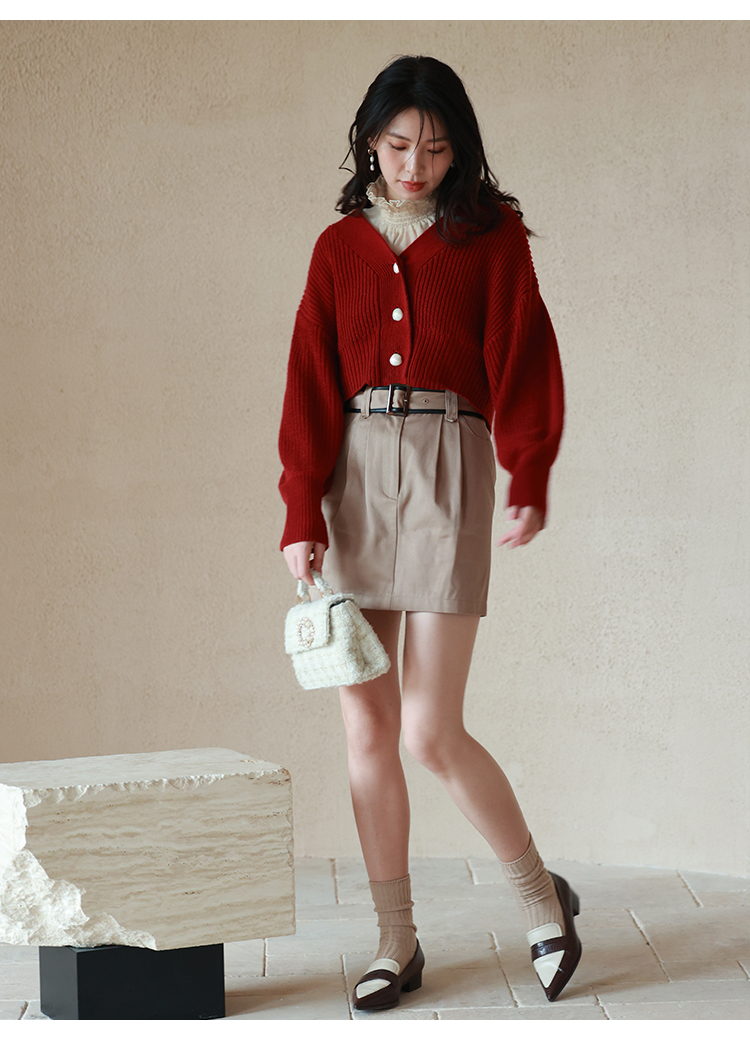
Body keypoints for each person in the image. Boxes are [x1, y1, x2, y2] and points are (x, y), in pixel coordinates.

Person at [278, 54, 580, 1011]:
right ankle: (394, 939)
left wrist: (528, 471)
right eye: (401, 145)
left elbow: (525, 355)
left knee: (429, 728)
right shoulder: (338, 250)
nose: (417, 166)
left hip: (451, 461)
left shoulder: (492, 238)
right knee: (366, 727)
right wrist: (300, 508)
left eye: (439, 149)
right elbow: (310, 380)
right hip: (353, 478)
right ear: (370, 142)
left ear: (462, 152)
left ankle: (542, 902)